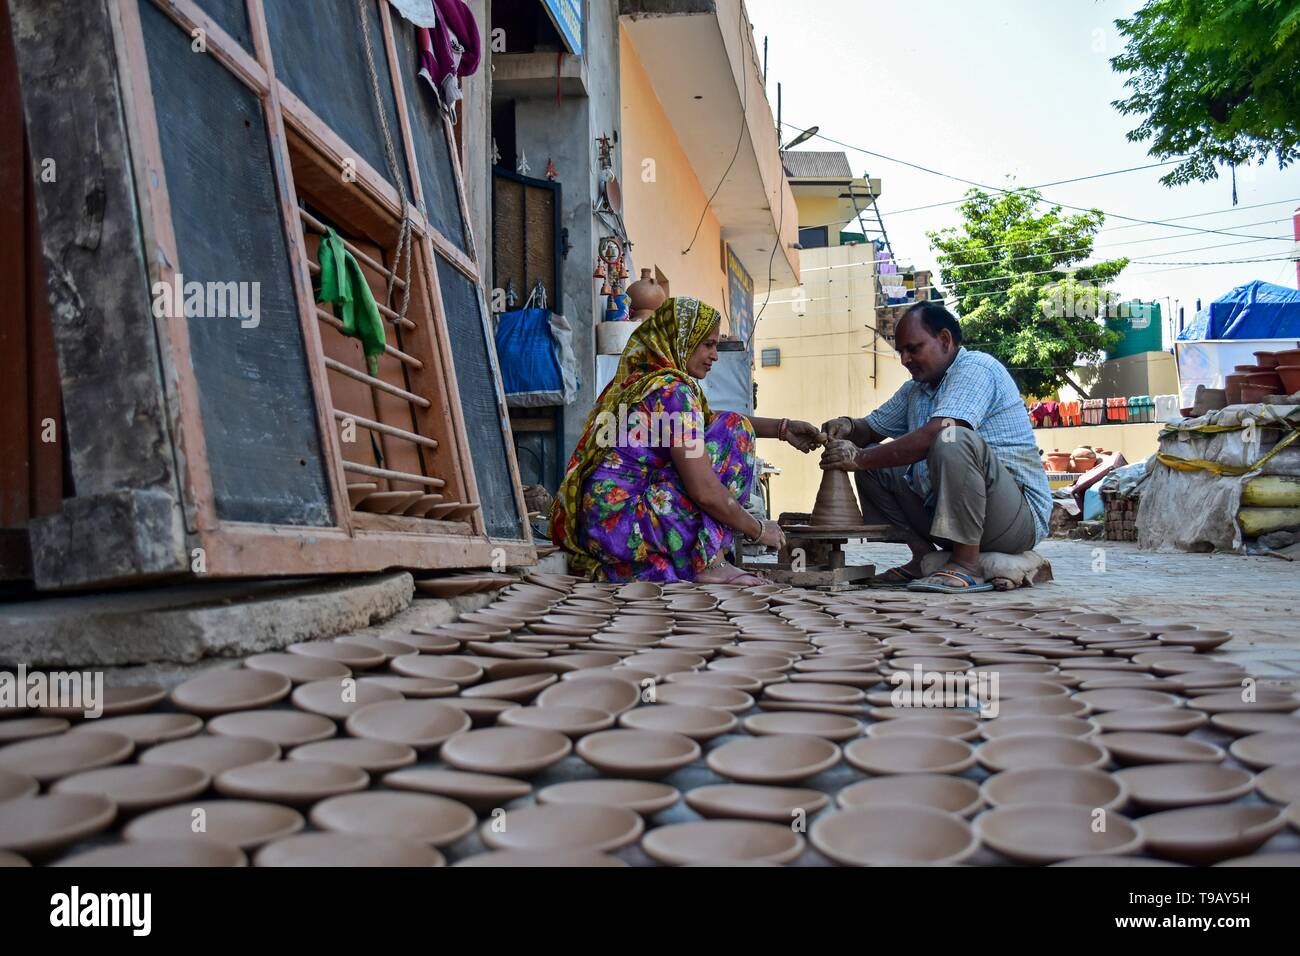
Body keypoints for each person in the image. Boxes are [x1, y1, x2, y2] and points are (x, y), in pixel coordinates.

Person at [551, 296, 823, 583]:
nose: (715, 355)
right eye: (707, 344)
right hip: (622, 523)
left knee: (731, 426)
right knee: (734, 430)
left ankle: (685, 562)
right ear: (682, 339)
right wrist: (757, 529)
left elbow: (701, 421)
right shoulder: (673, 392)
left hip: (600, 526)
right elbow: (704, 490)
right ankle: (712, 564)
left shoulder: (646, 381)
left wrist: (783, 428)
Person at [819, 301, 1052, 593]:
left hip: (1014, 519)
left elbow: (937, 433)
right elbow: (870, 428)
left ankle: (966, 564)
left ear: (944, 340)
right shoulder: (916, 390)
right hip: (953, 516)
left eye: (913, 349)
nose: (904, 359)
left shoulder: (977, 368)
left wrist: (860, 458)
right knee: (875, 469)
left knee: (950, 437)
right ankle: (923, 557)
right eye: (900, 351)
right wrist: (847, 427)